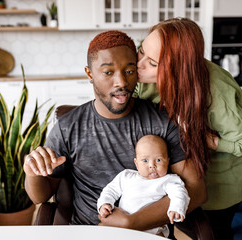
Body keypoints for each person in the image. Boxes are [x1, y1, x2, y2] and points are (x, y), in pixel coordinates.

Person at [23, 30, 207, 233]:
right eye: (108, 72)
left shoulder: (162, 121)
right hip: (87, 232)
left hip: (147, 232)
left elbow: (197, 191)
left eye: (129, 71)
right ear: (90, 74)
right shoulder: (68, 127)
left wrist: (133, 222)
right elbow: (40, 197)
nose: (121, 82)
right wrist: (32, 173)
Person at [135, 18, 242, 240]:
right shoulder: (140, 71)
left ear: (177, 70)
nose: (139, 65)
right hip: (181, 172)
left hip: (221, 182)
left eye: (153, 63)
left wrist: (206, 139)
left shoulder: (216, 90)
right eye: (141, 51)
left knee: (215, 230)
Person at [97, 134, 190, 237]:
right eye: (145, 160)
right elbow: (110, 190)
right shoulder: (126, 176)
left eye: (158, 160)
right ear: (136, 163)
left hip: (153, 230)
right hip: (123, 229)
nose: (152, 165)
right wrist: (105, 203)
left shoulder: (168, 180)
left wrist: (177, 208)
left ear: (167, 161)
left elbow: (180, 193)